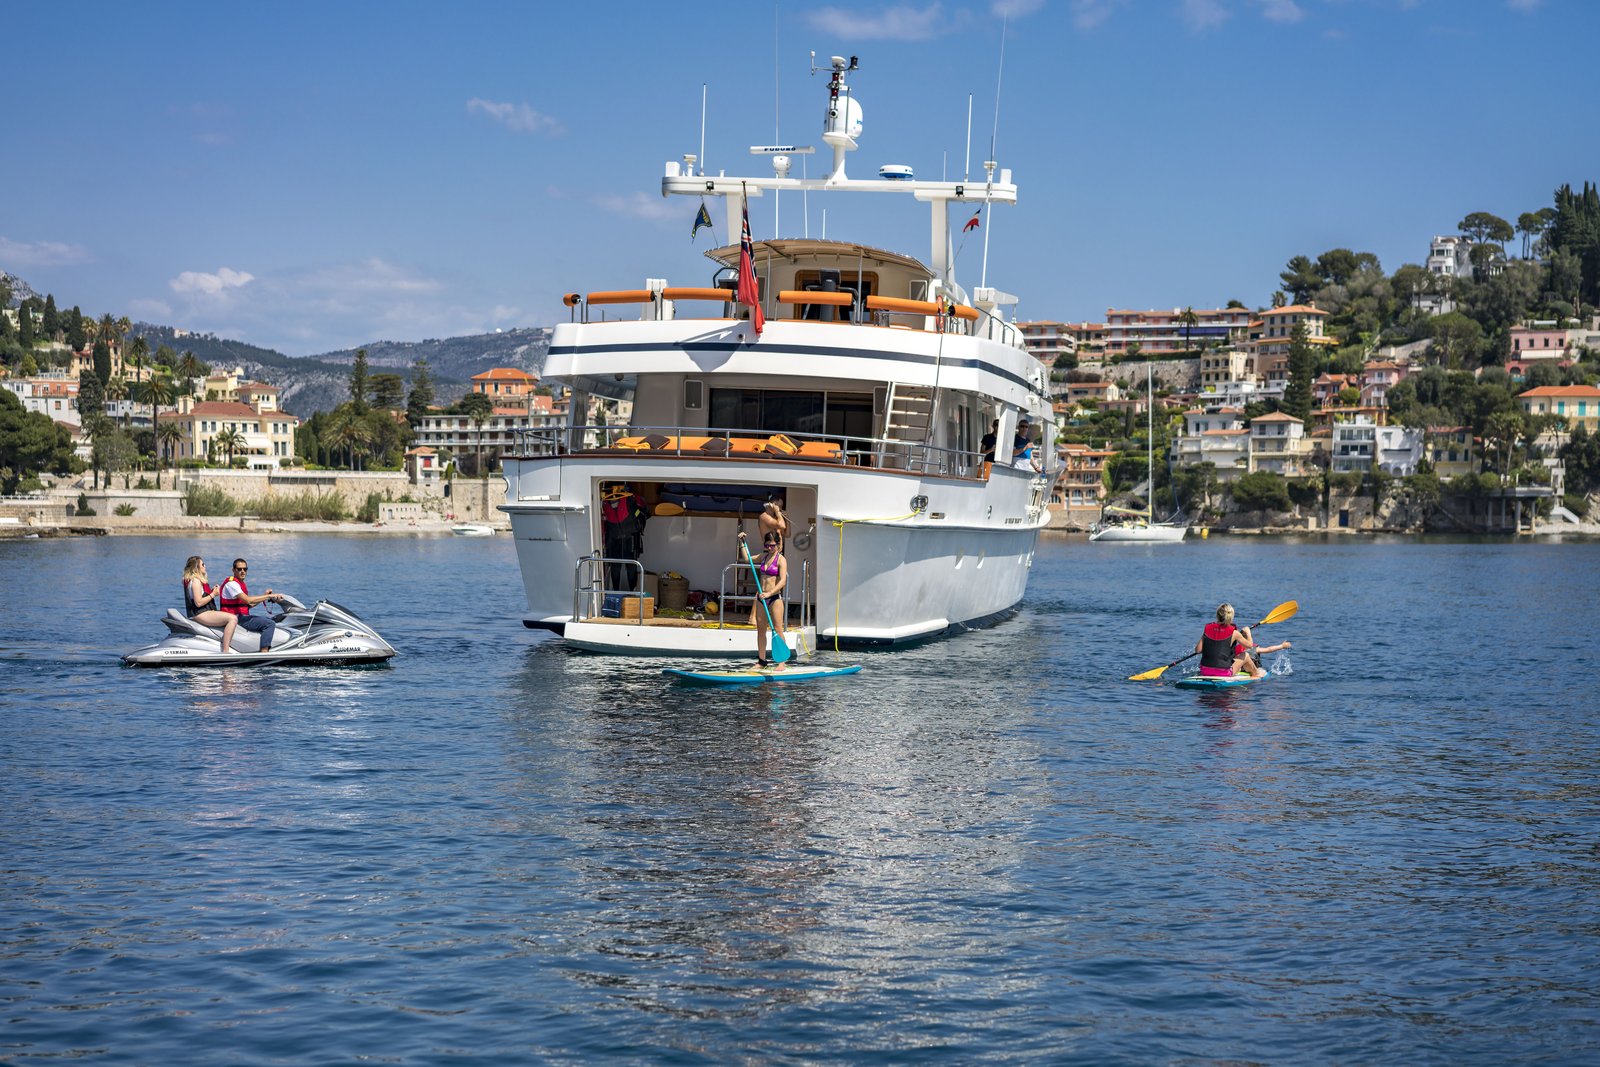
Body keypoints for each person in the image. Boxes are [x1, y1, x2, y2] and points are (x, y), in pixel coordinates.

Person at [1195, 603, 1290, 678]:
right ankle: (1256, 673)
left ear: (1217, 615)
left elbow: (1198, 650)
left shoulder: (1207, 629)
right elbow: (1250, 646)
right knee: (1246, 655)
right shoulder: (1234, 633)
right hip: (1223, 672)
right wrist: (1248, 633)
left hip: (1204, 671)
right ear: (1231, 617)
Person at [218, 557, 285, 652]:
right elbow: (249, 600)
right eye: (239, 569)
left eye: (245, 569)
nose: (242, 571)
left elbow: (248, 605)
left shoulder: (240, 583)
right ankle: (264, 652)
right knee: (269, 624)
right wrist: (270, 596)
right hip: (235, 618)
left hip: (240, 616)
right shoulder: (232, 584)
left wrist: (264, 596)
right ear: (233, 570)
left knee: (270, 619)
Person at [741, 531, 787, 669]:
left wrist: (770, 593)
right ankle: (762, 661)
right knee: (761, 630)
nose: (770, 548)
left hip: (774, 598)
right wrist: (742, 543)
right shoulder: (763, 557)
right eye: (767, 545)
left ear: (778, 544)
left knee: (778, 629)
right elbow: (747, 559)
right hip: (761, 598)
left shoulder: (781, 560)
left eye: (772, 545)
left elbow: (783, 581)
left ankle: (782, 662)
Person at [181, 555, 238, 654]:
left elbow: (200, 596)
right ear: (196, 568)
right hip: (200, 613)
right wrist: (213, 594)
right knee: (232, 618)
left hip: (202, 612)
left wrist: (211, 592)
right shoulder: (196, 581)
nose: (205, 566)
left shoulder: (195, 580)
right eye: (202, 564)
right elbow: (198, 603)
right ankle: (225, 651)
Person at [601, 482, 646, 591]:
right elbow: (644, 512)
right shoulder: (630, 498)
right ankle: (632, 592)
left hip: (616, 540)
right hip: (628, 539)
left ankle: (619, 591)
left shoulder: (604, 503)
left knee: (618, 567)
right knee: (630, 567)